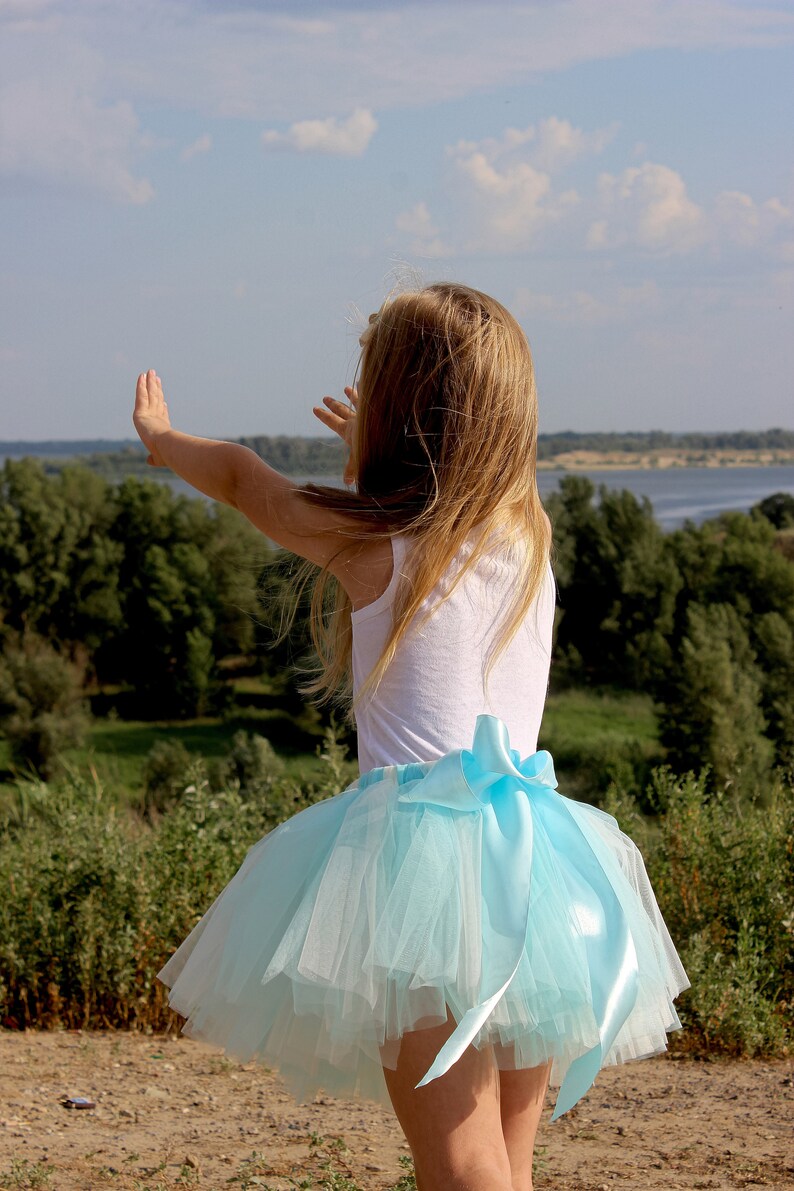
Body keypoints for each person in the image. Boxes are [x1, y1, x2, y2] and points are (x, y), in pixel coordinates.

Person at [133, 282, 689, 1191]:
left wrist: (161, 442)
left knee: (461, 1166)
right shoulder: (530, 533)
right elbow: (455, 502)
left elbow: (241, 478)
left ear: (395, 411)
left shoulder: (373, 545)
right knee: (507, 1162)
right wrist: (381, 458)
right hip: (540, 869)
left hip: (422, 875)